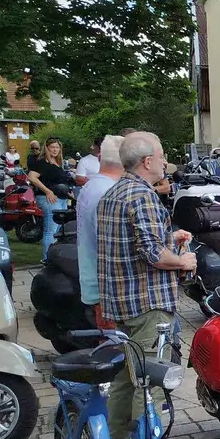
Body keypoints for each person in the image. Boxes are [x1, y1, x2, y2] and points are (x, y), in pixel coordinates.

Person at [96, 132, 195, 439]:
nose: (166, 162)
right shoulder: (143, 197)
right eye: (163, 155)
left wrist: (169, 235)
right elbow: (153, 254)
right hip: (148, 304)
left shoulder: (115, 192)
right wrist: (182, 259)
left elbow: (132, 242)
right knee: (149, 382)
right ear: (148, 161)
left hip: (123, 302)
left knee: (127, 379)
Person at [76, 135, 123, 321]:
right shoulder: (109, 192)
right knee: (120, 348)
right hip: (109, 292)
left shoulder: (94, 185)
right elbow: (116, 247)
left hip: (98, 286)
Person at [29, 137, 74, 263]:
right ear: (47, 148)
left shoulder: (57, 163)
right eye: (52, 147)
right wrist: (47, 191)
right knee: (51, 229)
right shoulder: (43, 162)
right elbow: (32, 177)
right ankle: (47, 259)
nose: (55, 150)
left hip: (62, 198)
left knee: (58, 230)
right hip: (49, 198)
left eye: (57, 147)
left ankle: (55, 258)